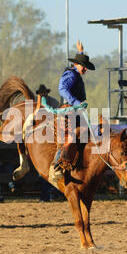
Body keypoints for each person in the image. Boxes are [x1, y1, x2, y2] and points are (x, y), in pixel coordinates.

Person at [51, 40, 95, 180]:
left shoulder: (74, 73)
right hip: (67, 111)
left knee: (84, 136)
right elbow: (62, 89)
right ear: (77, 65)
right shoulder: (71, 75)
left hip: (74, 111)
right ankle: (56, 166)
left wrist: (80, 53)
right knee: (69, 138)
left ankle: (78, 165)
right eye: (84, 66)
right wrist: (76, 103)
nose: (86, 70)